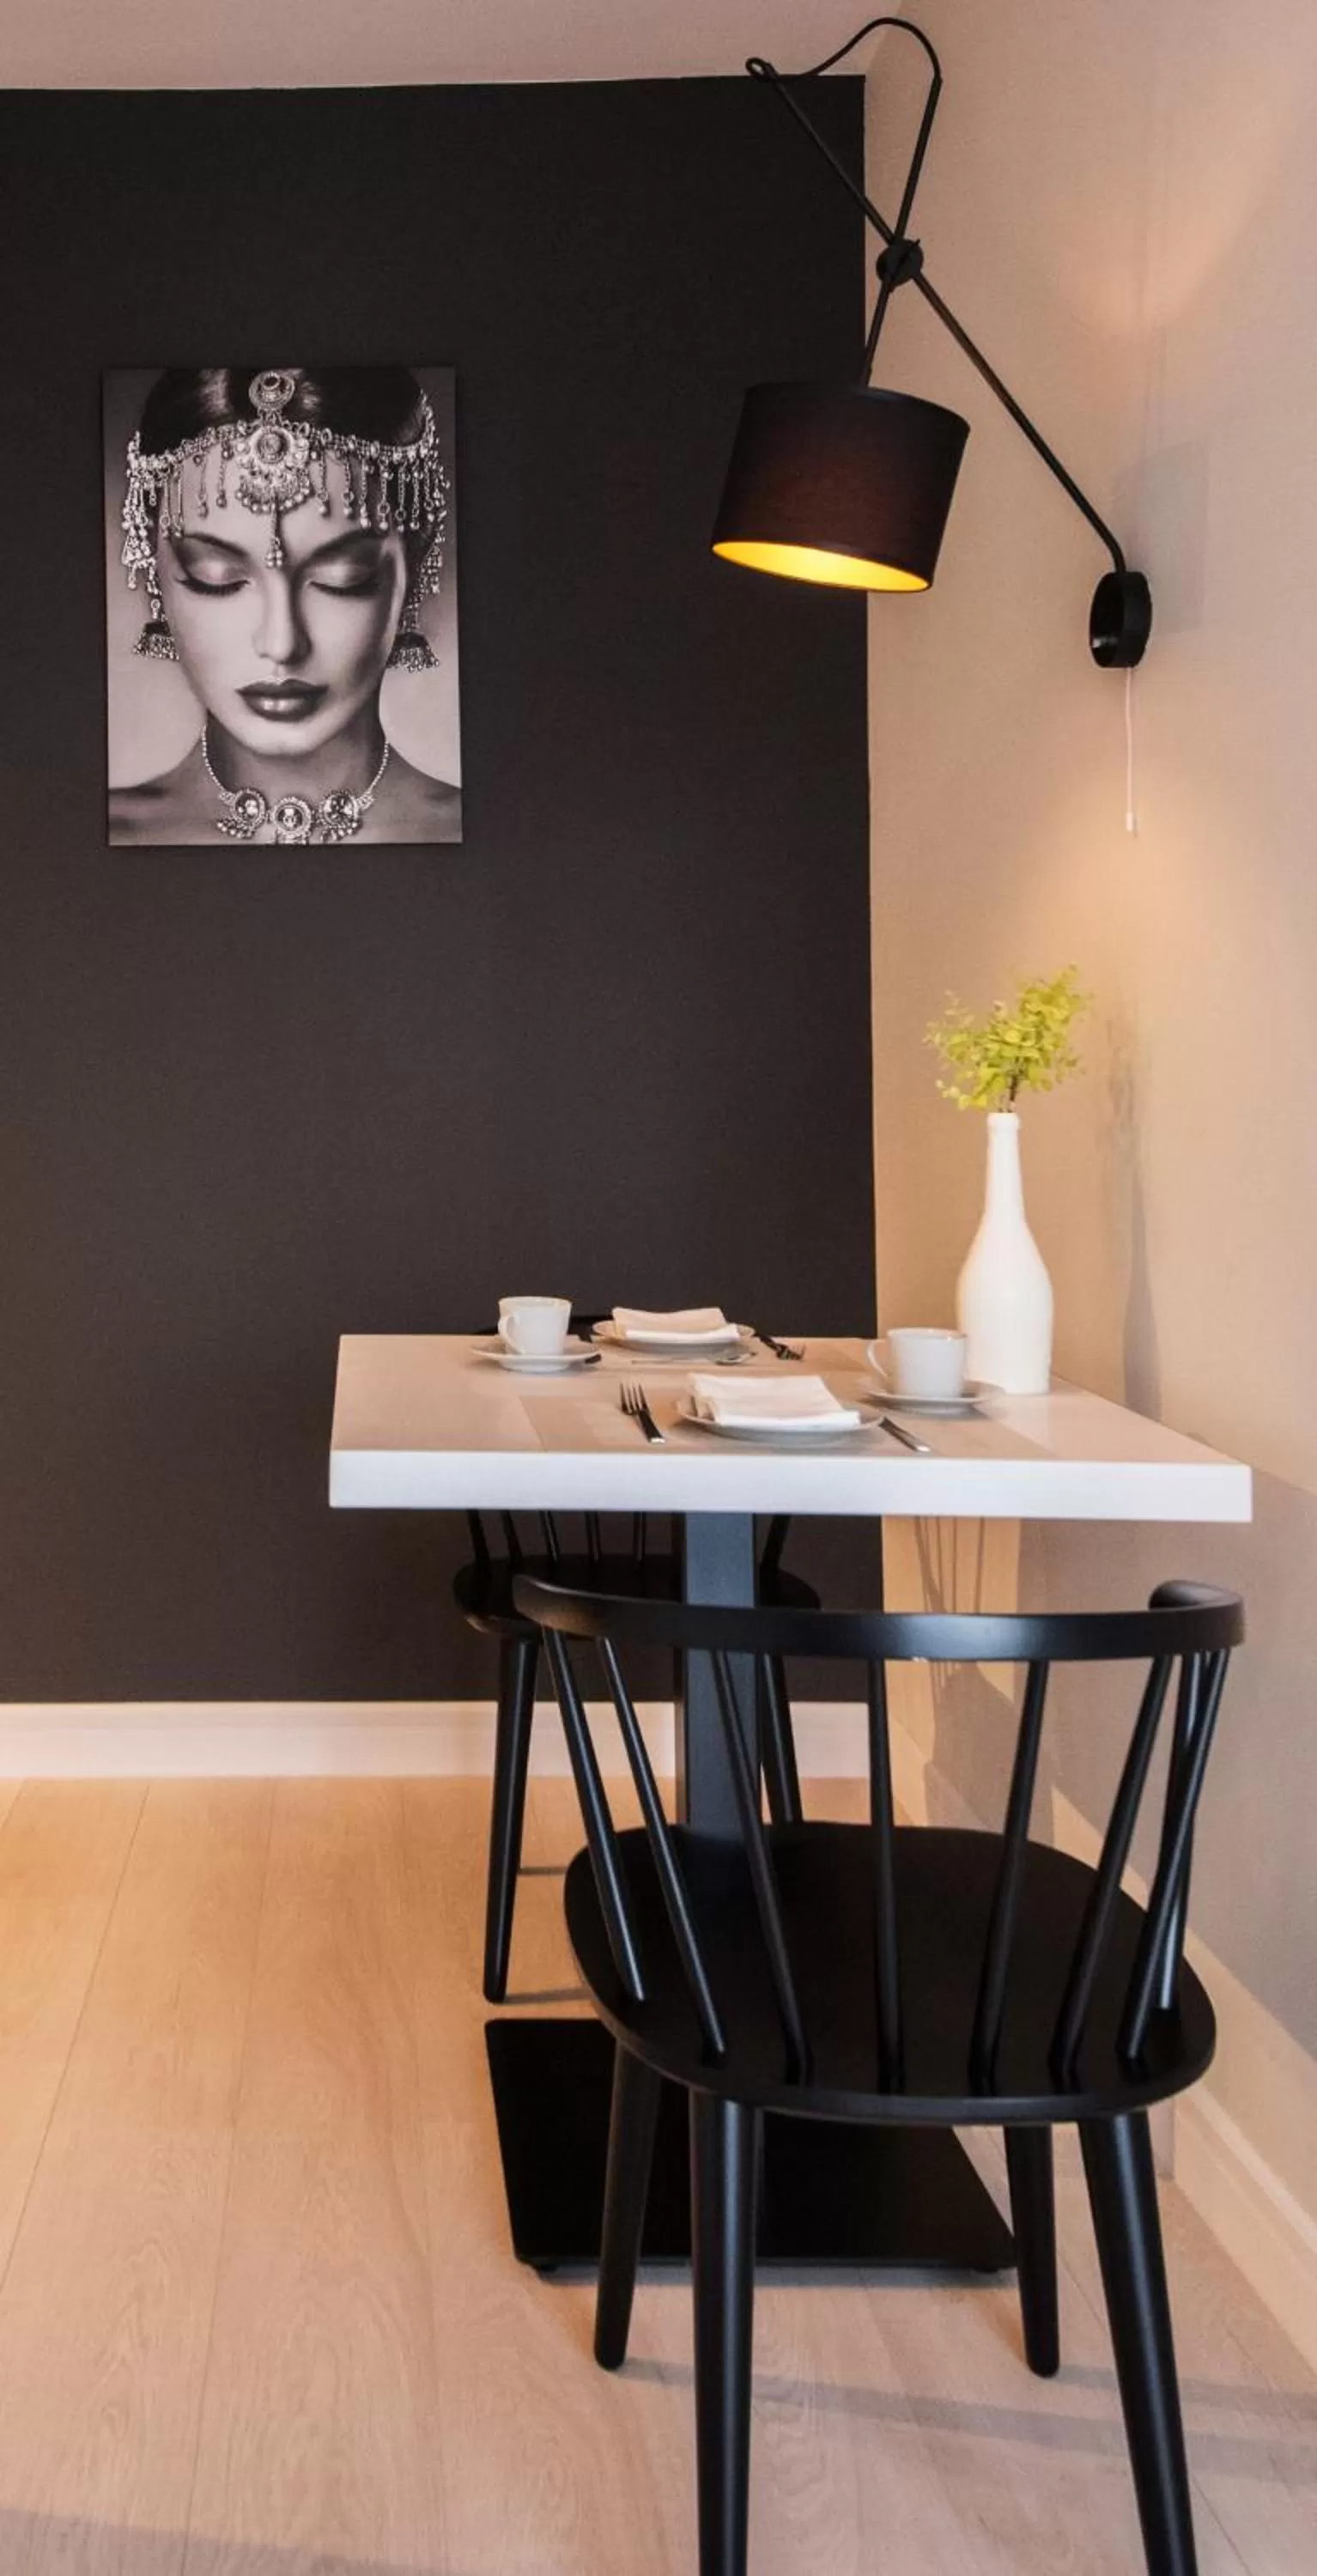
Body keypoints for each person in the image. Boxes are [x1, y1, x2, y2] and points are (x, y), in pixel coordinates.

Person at [110, 366, 461, 846]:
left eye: (343, 581)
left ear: (412, 572)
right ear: (156, 573)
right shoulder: (83, 844)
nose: (281, 643)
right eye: (217, 580)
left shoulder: (496, 834)